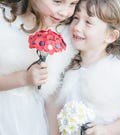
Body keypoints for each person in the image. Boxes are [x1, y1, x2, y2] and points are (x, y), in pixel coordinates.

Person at [56, 0, 120, 134]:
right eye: (76, 18)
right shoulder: (67, 65)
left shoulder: (119, 72)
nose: (77, 27)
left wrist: (107, 130)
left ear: (111, 36)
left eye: (88, 22)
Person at [0, 0, 79, 135]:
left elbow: (52, 93)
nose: (65, 12)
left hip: (34, 116)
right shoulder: (4, 23)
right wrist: (23, 78)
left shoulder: (64, 30)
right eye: (57, 2)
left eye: (73, 4)